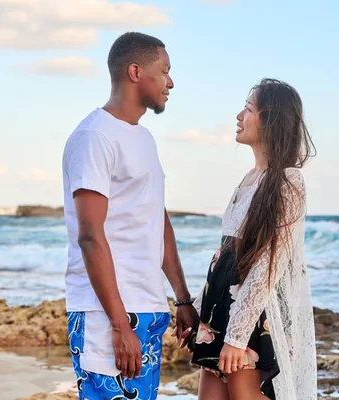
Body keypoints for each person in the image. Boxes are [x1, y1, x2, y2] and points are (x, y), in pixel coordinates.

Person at [62, 32, 199, 400]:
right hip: (107, 313)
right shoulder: (95, 136)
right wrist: (120, 324)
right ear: (136, 72)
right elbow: (90, 235)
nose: (170, 82)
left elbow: (157, 220)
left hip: (148, 307)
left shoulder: (143, 139)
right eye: (164, 70)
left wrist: (182, 299)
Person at [185, 78, 318, 400]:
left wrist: (236, 336)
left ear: (271, 119)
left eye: (247, 109)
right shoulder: (247, 179)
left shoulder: (288, 181)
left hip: (250, 314)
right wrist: (197, 312)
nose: (238, 116)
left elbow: (267, 266)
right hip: (220, 308)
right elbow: (225, 256)